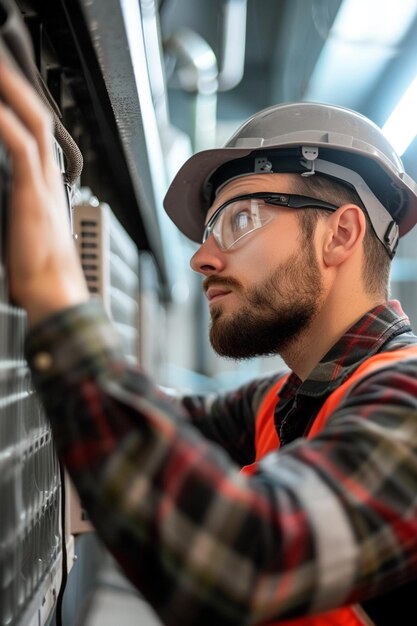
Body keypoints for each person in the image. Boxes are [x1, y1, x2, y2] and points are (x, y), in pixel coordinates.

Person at [2, 54, 417, 626]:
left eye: (238, 220)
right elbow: (161, 429)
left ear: (339, 234)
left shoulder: (408, 403)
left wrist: (55, 292)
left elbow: (247, 558)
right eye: (207, 231)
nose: (202, 258)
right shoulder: (289, 401)